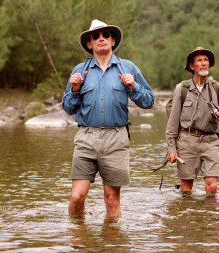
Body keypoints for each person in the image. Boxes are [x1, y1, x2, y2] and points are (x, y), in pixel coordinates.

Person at [62, 19, 154, 219]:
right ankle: (78, 241)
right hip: (86, 137)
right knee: (77, 197)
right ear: (89, 43)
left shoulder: (128, 68)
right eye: (96, 36)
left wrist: (134, 87)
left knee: (111, 198)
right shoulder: (79, 70)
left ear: (112, 40)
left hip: (116, 138)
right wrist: (75, 90)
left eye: (105, 35)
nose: (101, 39)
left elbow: (149, 101)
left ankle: (111, 244)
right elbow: (67, 107)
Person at [165, 47, 219, 195]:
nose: (204, 63)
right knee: (186, 188)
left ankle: (210, 216)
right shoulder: (182, 89)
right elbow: (173, 122)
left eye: (206, 60)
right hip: (187, 141)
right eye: (199, 60)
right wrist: (172, 149)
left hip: (210, 141)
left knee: (212, 186)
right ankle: (188, 216)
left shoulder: (216, 87)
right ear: (191, 66)